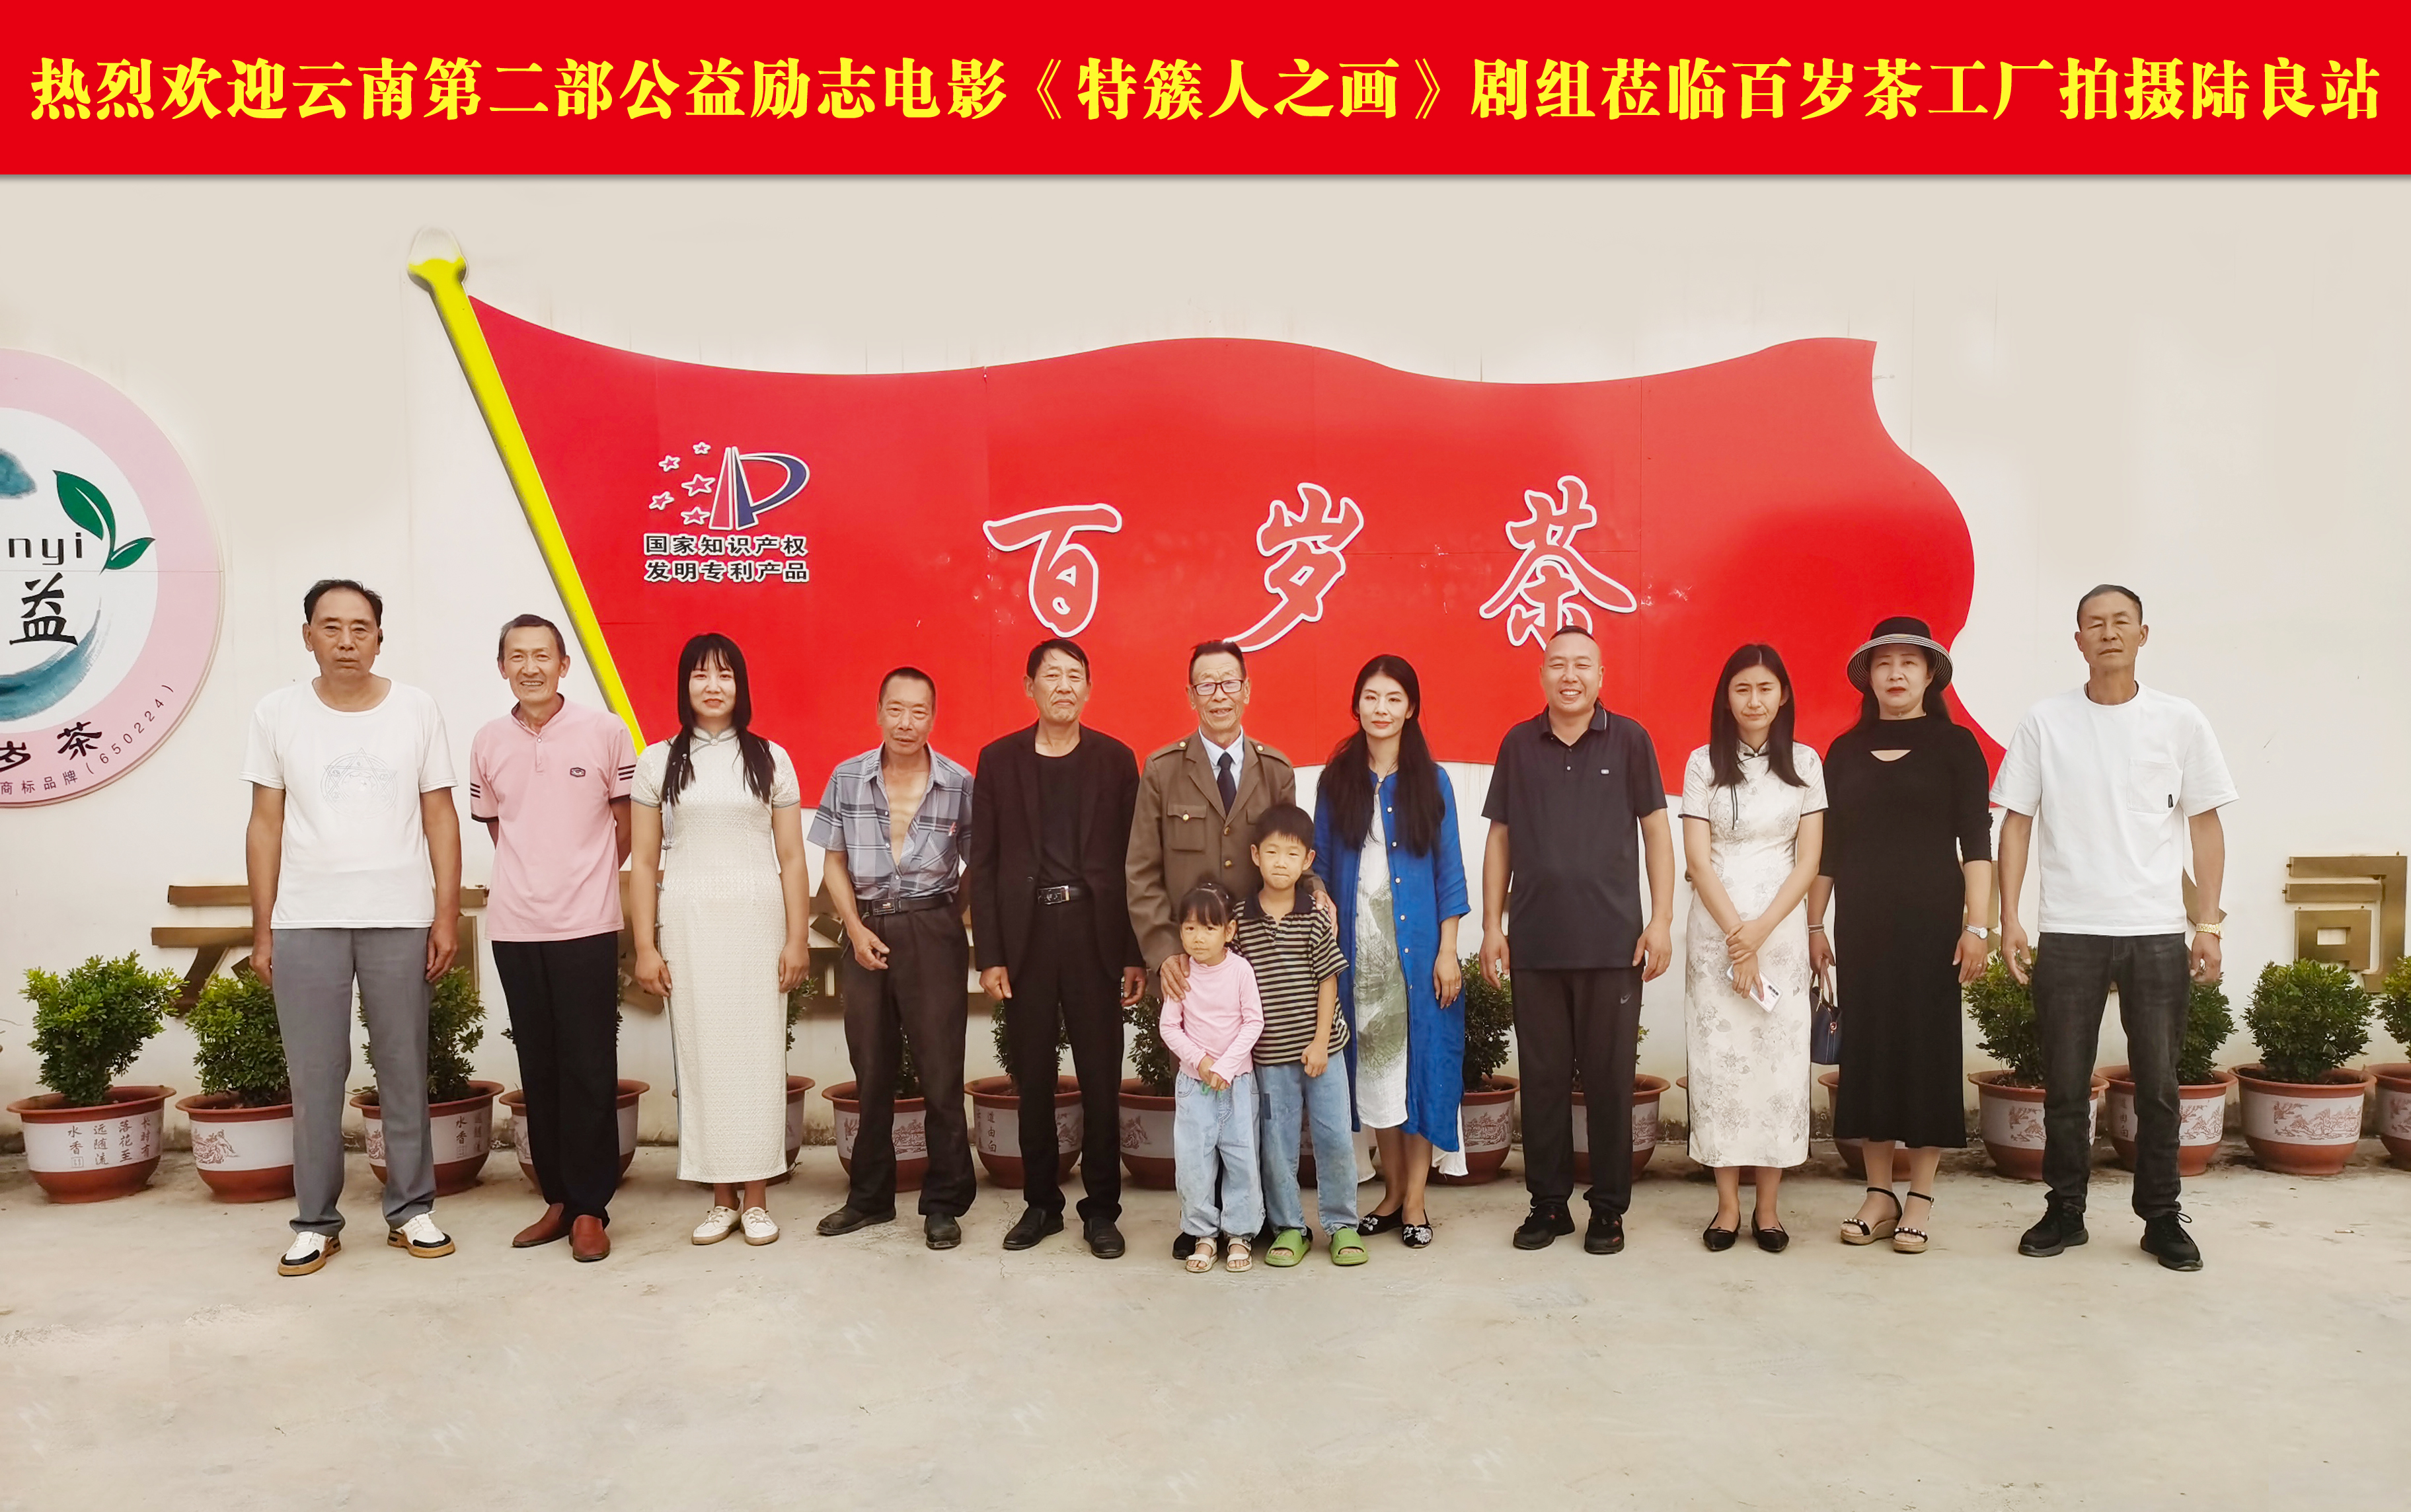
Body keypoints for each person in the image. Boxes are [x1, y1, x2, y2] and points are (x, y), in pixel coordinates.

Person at [1995, 585, 2235, 1273]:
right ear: (2078, 641)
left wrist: (2208, 923)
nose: (2108, 633)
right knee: (2065, 1084)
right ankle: (2065, 1209)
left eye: (2120, 622)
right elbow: (2016, 822)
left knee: (2158, 1084)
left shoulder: (2179, 720)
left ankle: (2161, 1216)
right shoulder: (2046, 721)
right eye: (2094, 624)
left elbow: (2205, 825)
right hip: (2070, 928)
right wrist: (2010, 917)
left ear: (2143, 634)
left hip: (2155, 930)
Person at [243, 578, 461, 1277]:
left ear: (379, 638)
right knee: (314, 1077)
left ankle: (411, 1209)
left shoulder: (416, 708)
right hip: (307, 918)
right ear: (308, 635)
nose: (346, 641)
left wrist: (446, 914)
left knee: (403, 1067)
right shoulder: (277, 713)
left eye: (360, 628)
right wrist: (264, 928)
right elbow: (265, 823)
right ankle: (315, 1222)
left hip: (400, 914)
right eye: (331, 627)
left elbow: (440, 816)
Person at [1480, 625, 1675, 1256]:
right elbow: (1500, 839)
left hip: (1613, 946)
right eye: (1558, 664)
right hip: (1536, 945)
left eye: (1582, 665)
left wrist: (1661, 920)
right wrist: (1492, 926)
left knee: (1609, 1082)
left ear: (1601, 676)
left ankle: (1609, 1208)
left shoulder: (1631, 740)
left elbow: (1657, 832)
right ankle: (1548, 1204)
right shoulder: (1518, 743)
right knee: (1541, 1081)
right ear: (1542, 675)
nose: (1570, 676)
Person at [1809, 617, 1994, 1255]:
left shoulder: (1956, 747)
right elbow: (1827, 849)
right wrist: (1815, 923)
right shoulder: (1843, 752)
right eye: (1884, 663)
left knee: (1927, 1050)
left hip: (1934, 926)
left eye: (1909, 663)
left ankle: (1920, 1196)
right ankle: (1878, 1193)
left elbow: (1977, 843)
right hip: (1861, 925)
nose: (1895, 674)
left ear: (1930, 674)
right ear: (1869, 676)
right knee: (1870, 1052)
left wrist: (1977, 926)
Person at [629, 634, 810, 1248]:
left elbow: (792, 857)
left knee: (758, 1059)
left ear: (741, 685)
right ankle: (720, 1199)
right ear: (684, 685)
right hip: (689, 926)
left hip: (757, 927)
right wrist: (647, 946)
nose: (713, 686)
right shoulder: (658, 761)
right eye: (701, 675)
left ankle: (757, 1199)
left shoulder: (770, 759)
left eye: (725, 675)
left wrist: (796, 939)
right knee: (702, 1058)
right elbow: (644, 861)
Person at [968, 638, 1147, 1259]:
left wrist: (1133, 953)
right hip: (1028, 939)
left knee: (1100, 1077)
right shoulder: (999, 760)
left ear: (1089, 689)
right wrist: (990, 954)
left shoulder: (1116, 761)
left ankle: (1102, 1211)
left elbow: (1134, 863)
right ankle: (1041, 1204)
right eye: (1052, 676)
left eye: (1075, 676)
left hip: (1094, 935)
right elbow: (984, 863)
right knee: (1033, 1077)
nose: (1064, 686)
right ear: (1030, 687)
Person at [1128, 638, 1303, 1259]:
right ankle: (1199, 1221)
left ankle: (1251, 1218)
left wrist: (1316, 897)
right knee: (1197, 1103)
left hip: (1257, 962)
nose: (1220, 694)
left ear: (1247, 691)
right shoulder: (1162, 770)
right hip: (1189, 966)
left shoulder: (1275, 770)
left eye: (1230, 682)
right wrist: (1162, 954)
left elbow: (1292, 857)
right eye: (1207, 684)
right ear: (1191, 695)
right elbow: (1142, 872)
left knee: (1255, 1093)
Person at [470, 613, 635, 1264]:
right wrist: (533, 879)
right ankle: (559, 1199)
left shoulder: (605, 731)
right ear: (502, 667)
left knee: (589, 1066)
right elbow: (498, 829)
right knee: (538, 1066)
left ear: (564, 665)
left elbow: (625, 824)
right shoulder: (488, 740)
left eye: (543, 655)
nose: (530, 666)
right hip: (516, 926)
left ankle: (592, 1207)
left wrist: (583, 880)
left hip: (587, 924)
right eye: (517, 656)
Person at [810, 666, 978, 1250]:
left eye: (919, 711)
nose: (907, 722)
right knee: (872, 1071)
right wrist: (854, 929)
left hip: (933, 929)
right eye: (897, 710)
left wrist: (945, 917)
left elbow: (979, 863)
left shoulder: (959, 782)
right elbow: (833, 861)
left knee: (941, 1073)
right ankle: (870, 1198)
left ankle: (944, 1203)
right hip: (866, 929)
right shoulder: (847, 776)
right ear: (879, 712)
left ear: (934, 717)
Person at [1313, 654, 1469, 1248]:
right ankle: (1392, 1192)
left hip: (1420, 956)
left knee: (1422, 1073)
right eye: (1372, 698)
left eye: (1394, 699)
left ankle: (1417, 1203)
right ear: (1357, 705)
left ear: (1412, 708)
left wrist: (1448, 951)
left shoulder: (1433, 780)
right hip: (1359, 959)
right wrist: (1318, 894)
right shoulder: (1337, 780)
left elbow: (1450, 873)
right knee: (1378, 1078)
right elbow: (1319, 863)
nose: (1381, 709)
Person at [1679, 645, 1826, 1253]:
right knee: (1720, 1065)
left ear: (1783, 695)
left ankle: (1768, 1209)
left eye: (1766, 688)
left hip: (1781, 934)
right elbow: (1697, 859)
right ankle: (1726, 1207)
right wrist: (1739, 939)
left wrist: (1761, 932)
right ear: (1726, 697)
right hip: (1716, 935)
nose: (1755, 700)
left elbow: (1809, 860)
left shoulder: (1807, 763)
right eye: (1742, 688)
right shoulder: (1701, 764)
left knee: (1777, 1070)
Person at [1237, 804, 1363, 1267]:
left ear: (1308, 860)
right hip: (1270, 1055)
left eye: (1292, 855)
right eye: (1272, 852)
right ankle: (1289, 1227)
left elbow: (1329, 980)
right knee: (1277, 1144)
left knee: (1334, 1138)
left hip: (1323, 1050)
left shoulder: (1314, 915)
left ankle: (1342, 1224)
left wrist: (1319, 1042)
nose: (1281, 863)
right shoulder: (1239, 921)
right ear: (1255, 855)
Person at [1159, 884, 1266, 1273]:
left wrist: (1224, 1067)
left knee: (1241, 1158)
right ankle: (1203, 1234)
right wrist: (1202, 1062)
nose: (1198, 938)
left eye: (1208, 928)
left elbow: (1254, 1021)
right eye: (1189, 929)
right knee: (1194, 1163)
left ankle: (1239, 1234)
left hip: (1237, 1084)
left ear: (1229, 931)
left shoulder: (1240, 971)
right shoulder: (1183, 974)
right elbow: (1169, 1027)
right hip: (1194, 1087)